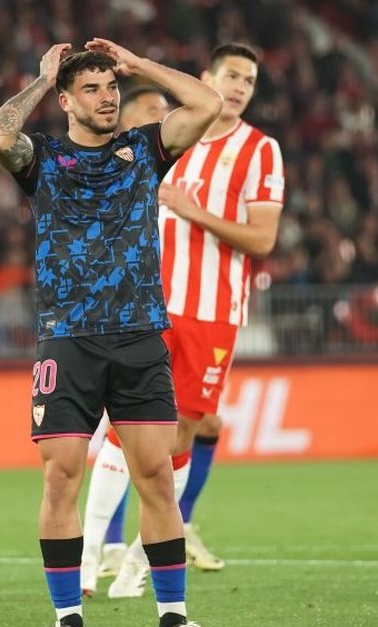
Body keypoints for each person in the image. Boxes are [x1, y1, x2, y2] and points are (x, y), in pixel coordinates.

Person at [0, 40, 224, 627]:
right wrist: (39, 79)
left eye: (110, 87)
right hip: (67, 341)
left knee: (155, 477)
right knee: (61, 478)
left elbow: (208, 101)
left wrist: (138, 65)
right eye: (90, 89)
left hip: (140, 336)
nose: (107, 97)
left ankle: (174, 619)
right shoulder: (46, 159)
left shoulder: (145, 148)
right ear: (65, 100)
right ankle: (67, 622)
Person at [92, 43, 286, 598]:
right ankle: (99, 551)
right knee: (127, 425)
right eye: (231, 75)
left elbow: (263, 239)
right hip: (149, 305)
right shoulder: (171, 135)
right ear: (206, 78)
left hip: (212, 312)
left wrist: (193, 210)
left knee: (183, 431)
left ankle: (141, 554)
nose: (241, 86)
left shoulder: (260, 151)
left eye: (250, 79)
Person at [79, 86, 174, 586]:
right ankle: (97, 549)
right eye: (153, 110)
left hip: (162, 315)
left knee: (168, 443)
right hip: (103, 322)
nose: (165, 117)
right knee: (107, 442)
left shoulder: (166, 158)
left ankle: (125, 554)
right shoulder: (94, 162)